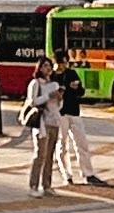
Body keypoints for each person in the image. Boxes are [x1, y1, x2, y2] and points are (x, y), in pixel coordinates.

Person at [26, 57, 77, 196]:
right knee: (40, 155)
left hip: (54, 122)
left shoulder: (54, 84)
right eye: (45, 66)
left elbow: (58, 107)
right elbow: (32, 102)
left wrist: (59, 98)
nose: (48, 68)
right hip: (42, 123)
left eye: (49, 65)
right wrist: (49, 96)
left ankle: (47, 186)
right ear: (40, 68)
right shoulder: (35, 83)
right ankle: (33, 186)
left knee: (49, 156)